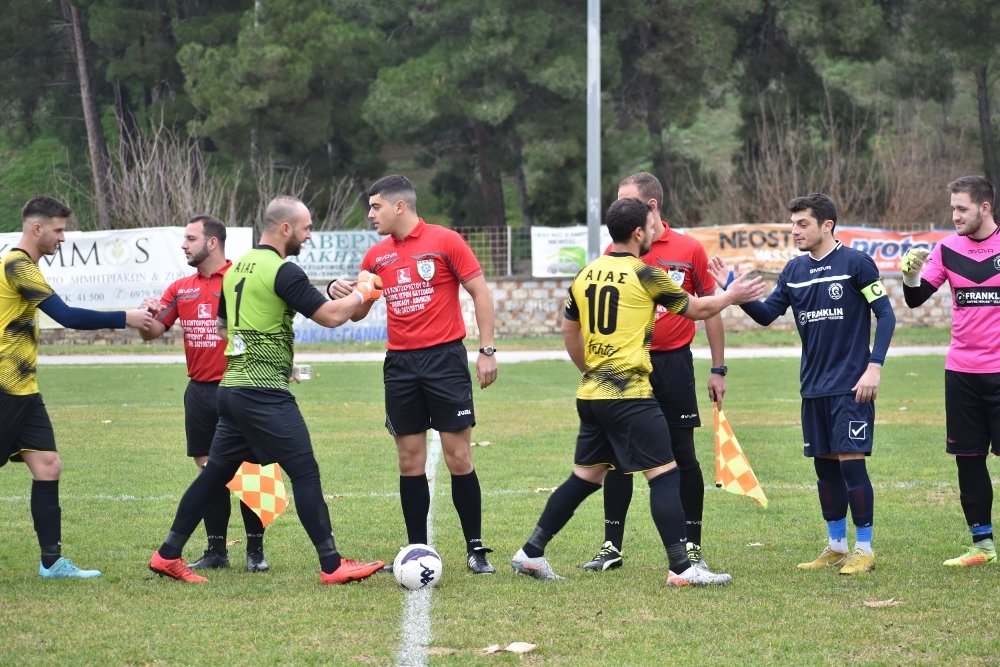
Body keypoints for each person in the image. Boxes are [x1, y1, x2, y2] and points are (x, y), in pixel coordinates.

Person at [510, 197, 765, 585]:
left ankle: (530, 552)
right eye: (649, 226)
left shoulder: (586, 274)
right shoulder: (646, 273)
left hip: (592, 394)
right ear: (638, 232)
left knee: (585, 477)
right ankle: (682, 568)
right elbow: (695, 309)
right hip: (629, 394)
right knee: (665, 475)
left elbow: (568, 329)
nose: (653, 233)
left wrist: (592, 369)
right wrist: (731, 296)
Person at [148, 196, 385, 584]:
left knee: (213, 476)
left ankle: (167, 554)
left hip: (233, 387)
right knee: (305, 473)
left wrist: (270, 354)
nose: (309, 235)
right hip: (261, 392)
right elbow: (329, 316)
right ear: (286, 228)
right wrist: (364, 292)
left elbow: (223, 329)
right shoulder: (282, 271)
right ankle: (332, 564)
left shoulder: (237, 268)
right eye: (306, 228)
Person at [708, 192, 895, 575]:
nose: (795, 230)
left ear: (827, 225)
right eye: (792, 224)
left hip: (851, 386)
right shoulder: (794, 271)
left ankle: (865, 548)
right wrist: (732, 292)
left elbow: (887, 316)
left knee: (850, 463)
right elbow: (765, 316)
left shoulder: (857, 264)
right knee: (824, 468)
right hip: (813, 387)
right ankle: (836, 545)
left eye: (802, 223)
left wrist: (873, 366)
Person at [327, 174, 499, 574]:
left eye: (376, 207)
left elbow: (480, 292)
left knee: (459, 457)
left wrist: (486, 350)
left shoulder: (445, 241)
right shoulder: (375, 257)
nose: (370, 214)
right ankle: (417, 549)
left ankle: (475, 549)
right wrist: (344, 292)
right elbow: (361, 310)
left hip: (445, 361)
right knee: (409, 461)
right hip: (401, 366)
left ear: (399, 206)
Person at [1, 196, 153, 578]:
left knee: (48, 465)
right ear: (37, 229)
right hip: (4, 388)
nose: (63, 238)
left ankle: (51, 563)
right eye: (59, 230)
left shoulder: (23, 265)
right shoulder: (17, 265)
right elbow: (66, 315)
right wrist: (126, 317)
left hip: (24, 389)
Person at [583, 172, 728, 573]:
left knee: (682, 455)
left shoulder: (688, 249)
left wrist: (718, 368)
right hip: (626, 367)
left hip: (672, 365)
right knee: (615, 456)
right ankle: (611, 545)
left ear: (651, 207)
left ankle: (692, 547)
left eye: (626, 201)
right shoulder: (620, 249)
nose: (618, 209)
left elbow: (709, 308)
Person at [137, 215, 268, 573]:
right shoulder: (181, 288)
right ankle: (216, 552)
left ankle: (255, 552)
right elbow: (155, 330)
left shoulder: (242, 279)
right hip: (199, 392)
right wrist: (146, 316)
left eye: (190, 238)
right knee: (210, 472)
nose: (183, 244)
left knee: (253, 472)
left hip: (241, 388)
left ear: (212, 242)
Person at [901, 175, 1000, 567]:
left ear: (985, 208)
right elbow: (914, 298)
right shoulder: (946, 249)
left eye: (962, 209)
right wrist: (910, 274)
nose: (954, 215)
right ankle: (982, 546)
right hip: (961, 371)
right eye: (952, 208)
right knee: (969, 459)